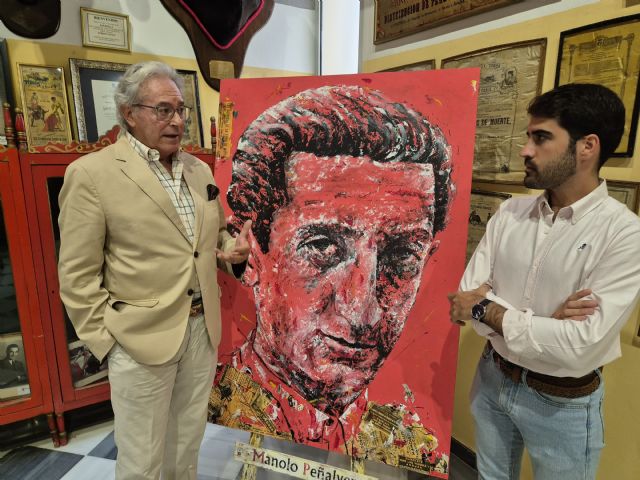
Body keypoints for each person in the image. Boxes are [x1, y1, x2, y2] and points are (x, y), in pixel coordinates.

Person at [208, 85, 454, 475]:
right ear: (254, 255)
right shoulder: (220, 405)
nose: (362, 311)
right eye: (322, 246)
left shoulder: (411, 441)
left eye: (402, 255)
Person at [58, 61, 251, 480]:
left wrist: (229, 250)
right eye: (164, 110)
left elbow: (213, 234)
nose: (177, 121)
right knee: (142, 462)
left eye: (181, 110)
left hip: (201, 332)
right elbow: (76, 275)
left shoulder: (198, 170)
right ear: (129, 113)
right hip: (139, 339)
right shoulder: (91, 175)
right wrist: (108, 341)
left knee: (186, 448)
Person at [449, 83, 640, 479]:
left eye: (541, 137)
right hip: (492, 375)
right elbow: (465, 299)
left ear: (587, 147)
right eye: (527, 136)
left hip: (562, 402)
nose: (525, 150)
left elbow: (579, 346)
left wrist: (489, 306)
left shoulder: (625, 235)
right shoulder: (510, 213)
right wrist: (544, 324)